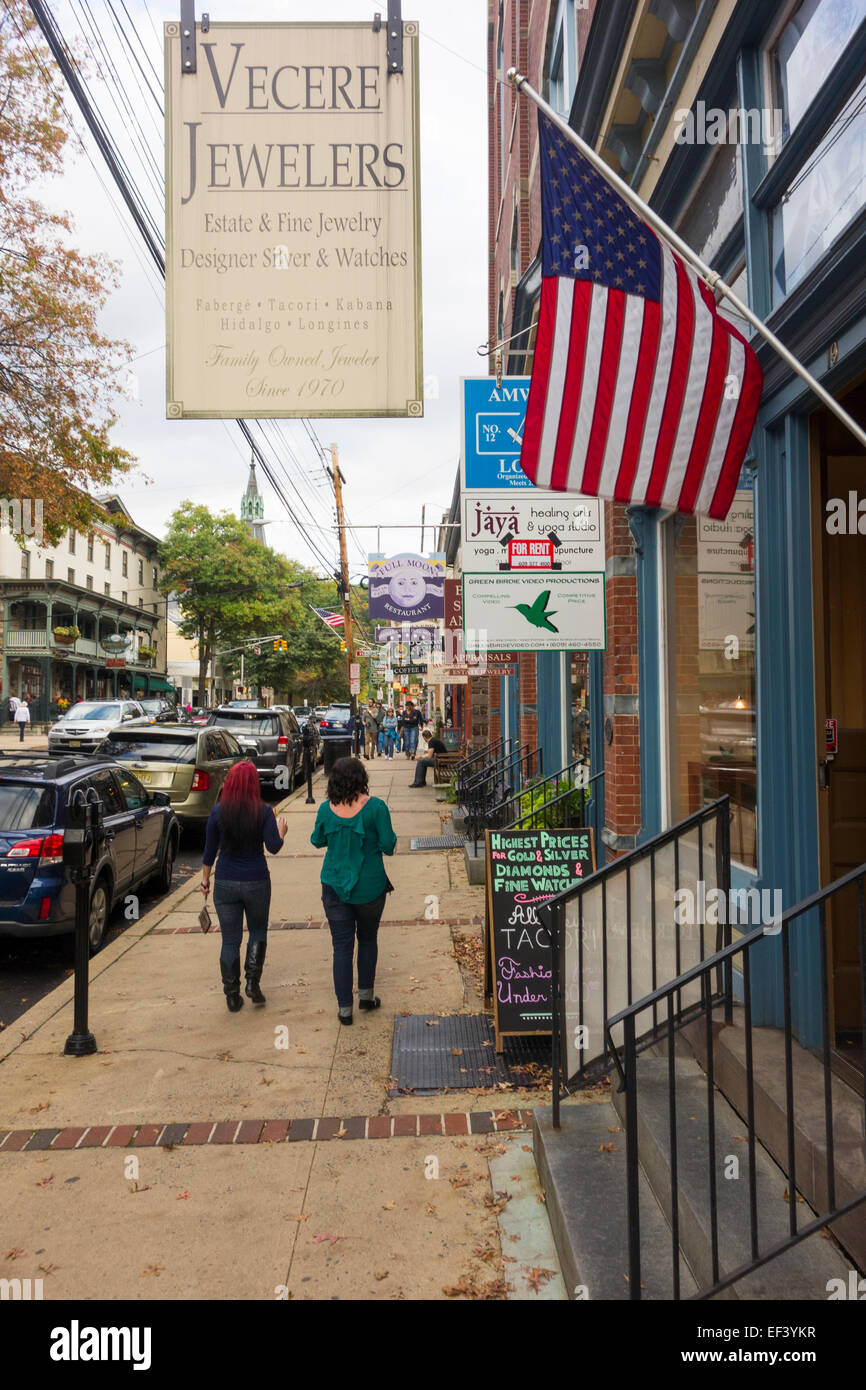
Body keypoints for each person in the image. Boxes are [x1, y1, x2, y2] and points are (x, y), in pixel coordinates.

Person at [310, 756, 396, 1024]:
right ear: (362, 779)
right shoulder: (377, 808)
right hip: (370, 887)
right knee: (368, 940)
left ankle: (345, 1009)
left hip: (334, 885)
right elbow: (388, 845)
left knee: (341, 948)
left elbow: (317, 840)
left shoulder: (325, 809)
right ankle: (366, 997)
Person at [200, 760, 288, 1012]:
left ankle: (231, 994)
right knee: (258, 931)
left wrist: (205, 880)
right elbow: (273, 847)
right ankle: (252, 982)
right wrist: (281, 830)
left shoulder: (218, 812)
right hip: (256, 880)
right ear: (253, 785)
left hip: (226, 882)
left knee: (230, 940)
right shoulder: (263, 811)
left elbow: (208, 852)